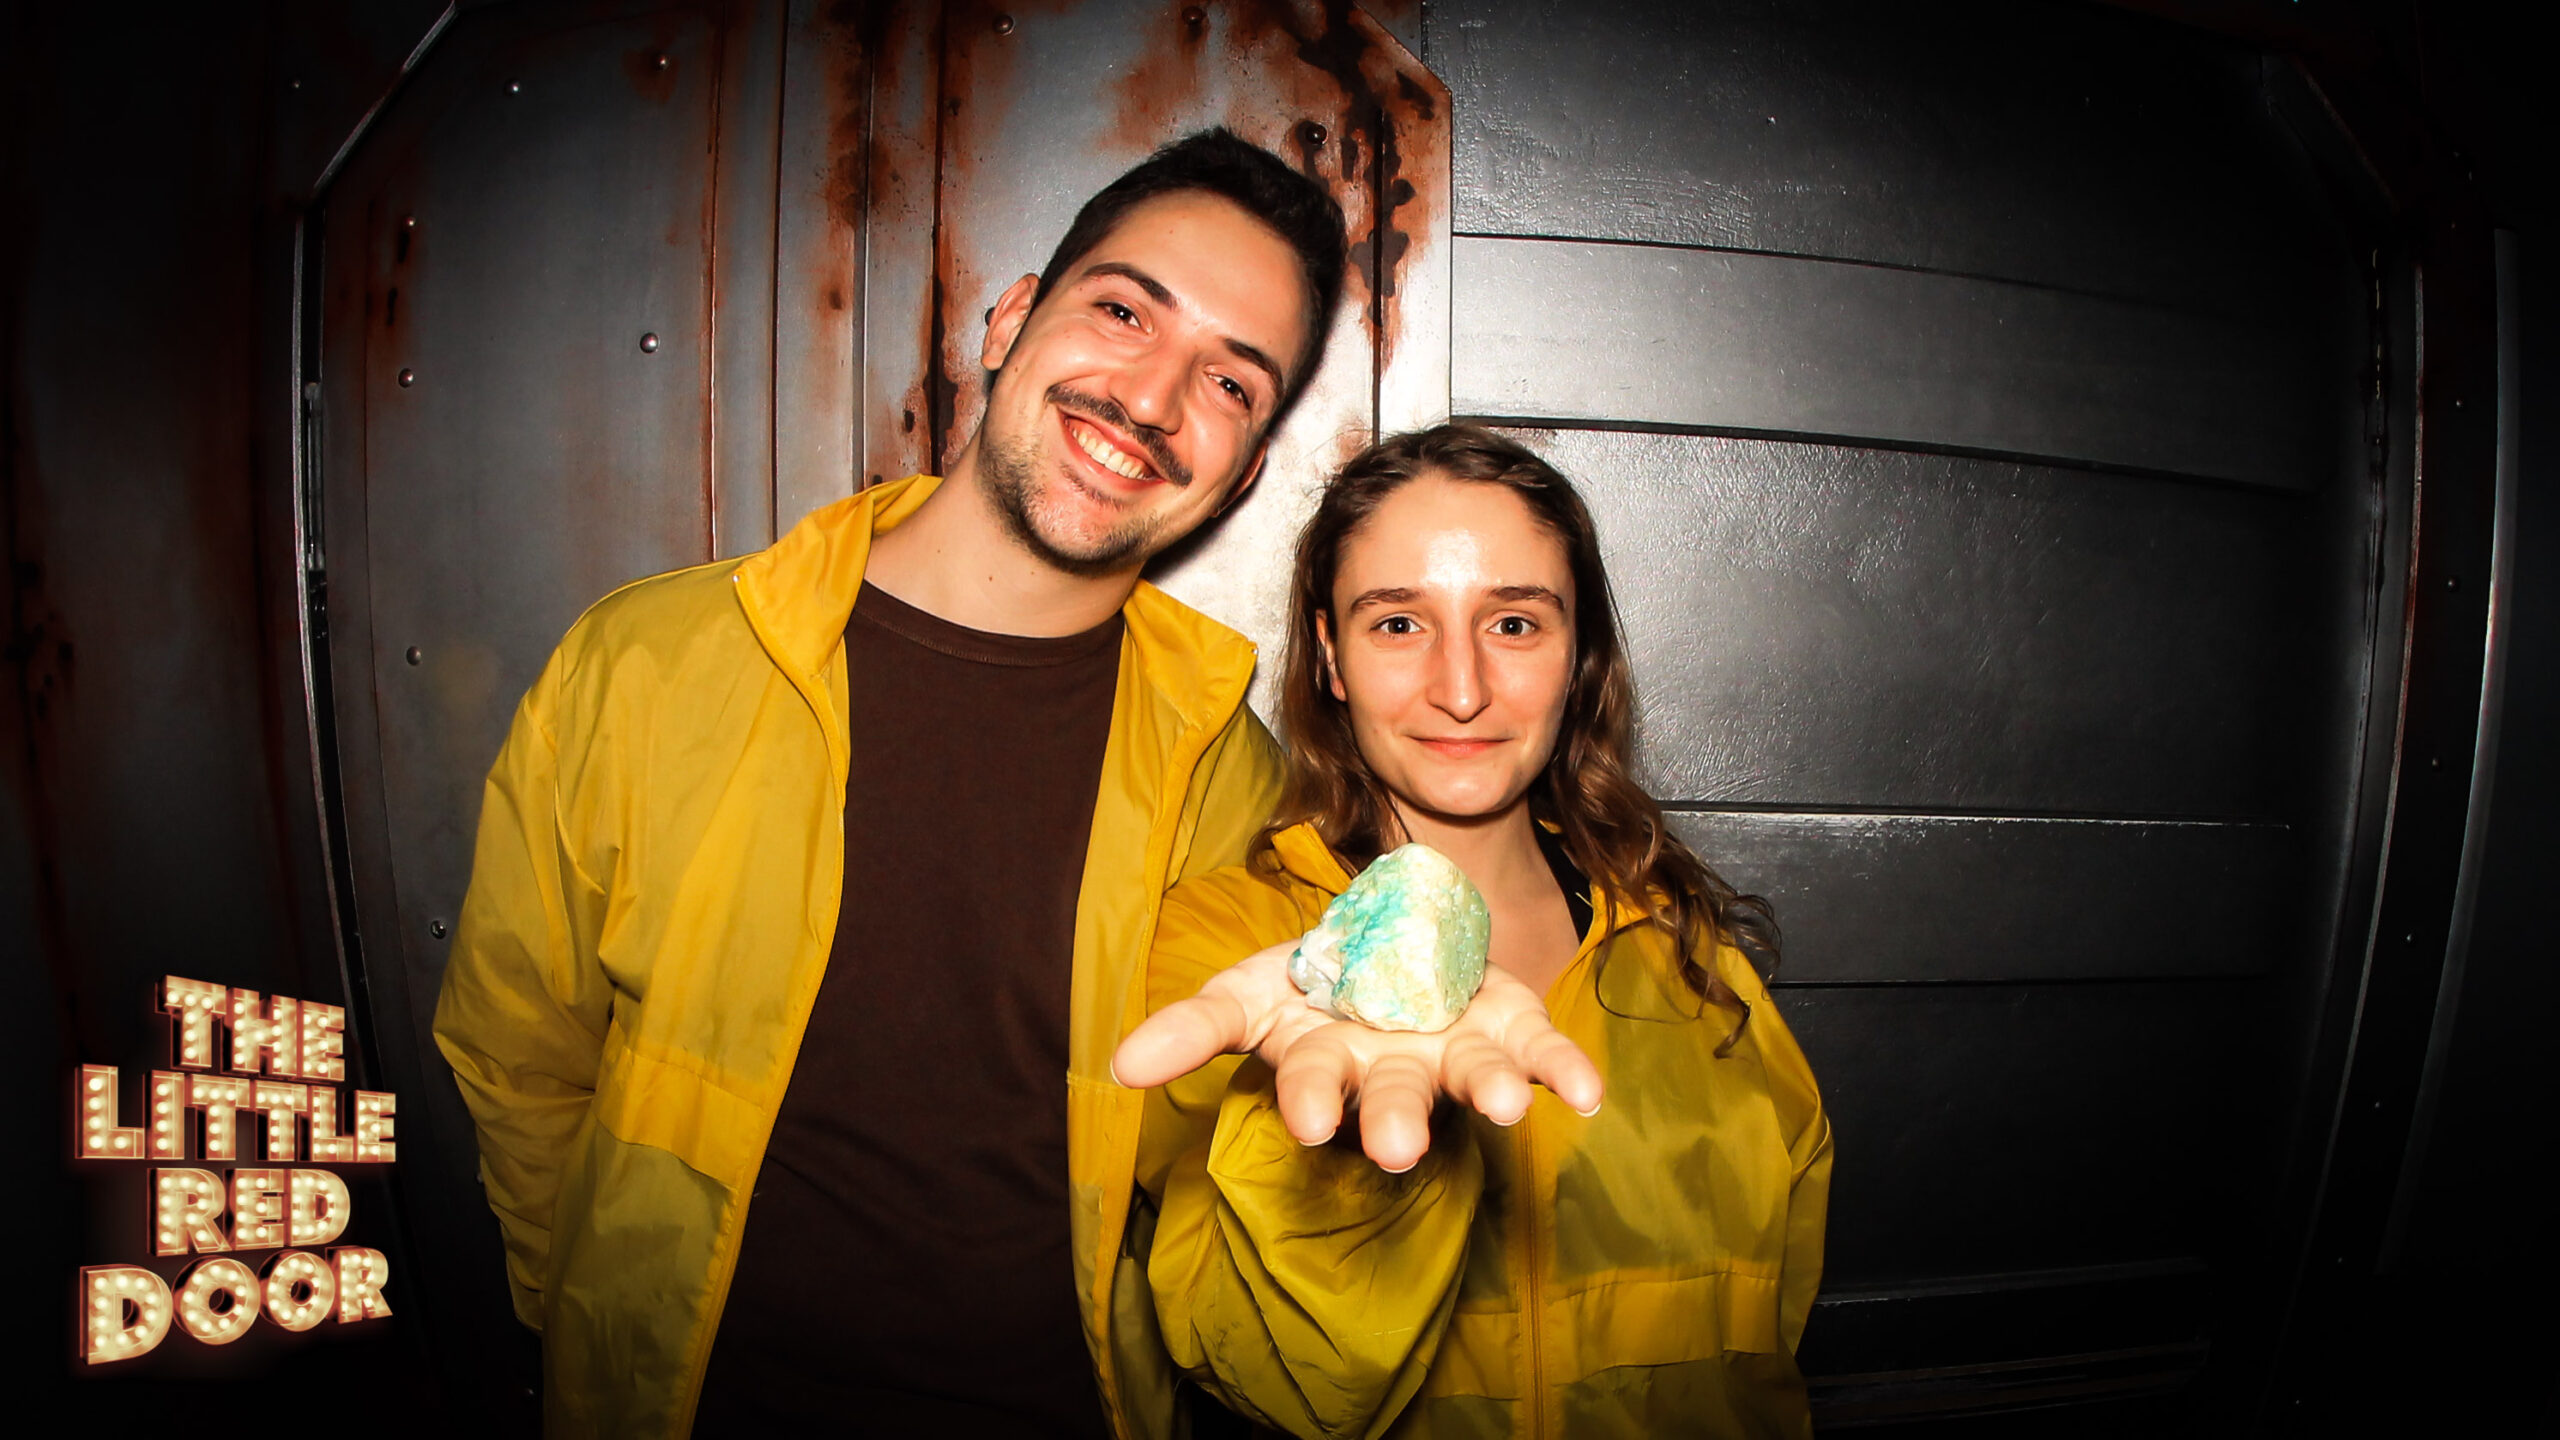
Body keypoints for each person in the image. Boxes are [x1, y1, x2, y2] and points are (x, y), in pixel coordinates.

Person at [432, 128, 1410, 1440]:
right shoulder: (650, 662)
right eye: (1124, 312)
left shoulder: (1229, 781)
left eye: (1230, 382)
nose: (1150, 399)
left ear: (1243, 468)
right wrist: (588, 1328)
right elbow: (519, 1052)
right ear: (1010, 321)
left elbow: (1206, 1193)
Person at [1112, 425, 1834, 1438]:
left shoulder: (1689, 956)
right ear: (1330, 656)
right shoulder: (1224, 959)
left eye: (1515, 624)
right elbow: (1271, 1383)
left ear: (1578, 655)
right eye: (1398, 623)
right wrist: (1355, 1169)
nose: (1461, 690)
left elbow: (1771, 1337)